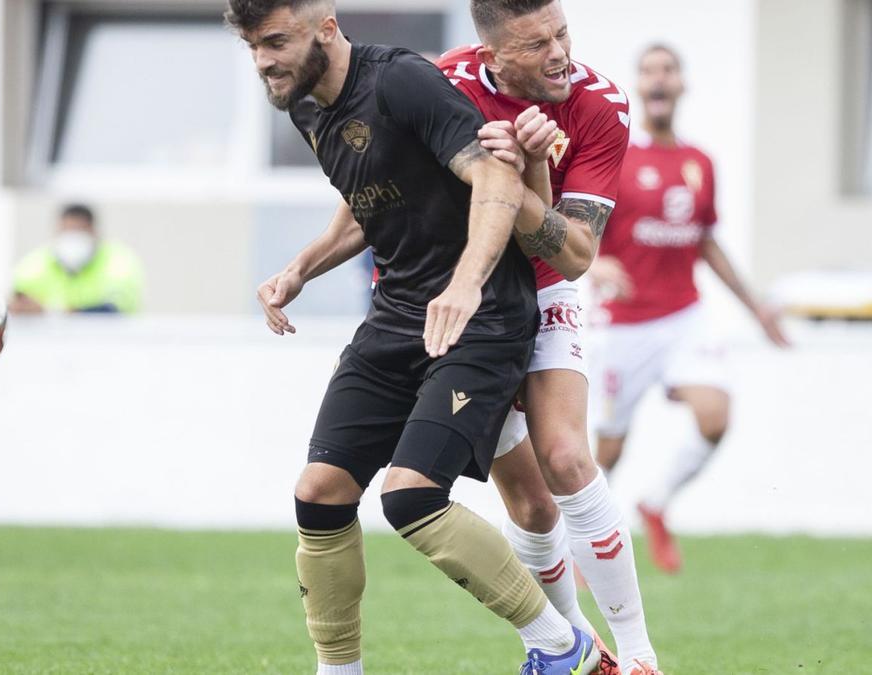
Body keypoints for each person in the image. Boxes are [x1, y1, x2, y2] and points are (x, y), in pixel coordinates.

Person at [226, 1, 600, 674]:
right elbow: (370, 203)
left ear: (327, 27)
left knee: (411, 496)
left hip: (482, 316)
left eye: (276, 41)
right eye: (255, 46)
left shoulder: (400, 80)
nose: (264, 61)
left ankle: (562, 644)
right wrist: (299, 269)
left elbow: (494, 176)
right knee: (320, 491)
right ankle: (339, 670)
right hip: (400, 312)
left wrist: (465, 282)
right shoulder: (304, 105)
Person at [435, 2, 661, 673]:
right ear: (492, 55)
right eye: (536, 45)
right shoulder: (444, 89)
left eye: (562, 33)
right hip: (468, 300)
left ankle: (642, 657)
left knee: (565, 456)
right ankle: (572, 650)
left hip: (545, 285)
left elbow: (574, 254)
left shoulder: (599, 105)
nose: (560, 53)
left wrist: (528, 170)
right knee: (530, 505)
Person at [591, 44, 790, 575]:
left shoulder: (698, 162)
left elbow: (706, 241)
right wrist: (593, 266)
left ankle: (655, 503)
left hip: (683, 316)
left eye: (669, 70)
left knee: (714, 414)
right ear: (638, 85)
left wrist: (756, 309)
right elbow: (572, 225)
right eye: (650, 71)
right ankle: (581, 549)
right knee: (606, 454)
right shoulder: (617, 159)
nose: (659, 80)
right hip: (622, 326)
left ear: (680, 85)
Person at [9, 205, 143, 315]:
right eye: (67, 231)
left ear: (94, 232)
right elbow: (18, 304)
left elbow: (114, 311)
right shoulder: (33, 264)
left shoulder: (118, 262)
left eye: (79, 231)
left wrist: (51, 313)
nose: (72, 238)